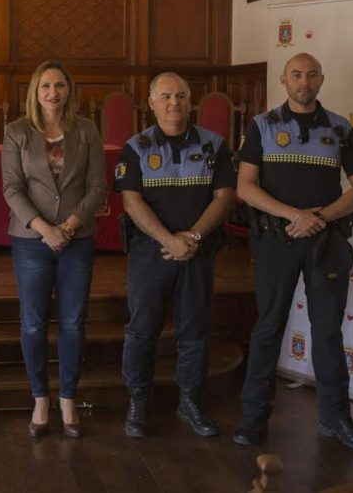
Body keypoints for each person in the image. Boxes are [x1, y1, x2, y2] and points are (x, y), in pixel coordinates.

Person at [233, 52, 353, 451]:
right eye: (296, 74)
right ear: (284, 79)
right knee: (267, 329)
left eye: (312, 74)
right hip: (277, 243)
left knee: (327, 332)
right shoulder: (261, 125)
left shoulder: (340, 127)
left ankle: (336, 419)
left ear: (321, 79)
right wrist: (295, 215)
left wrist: (319, 218)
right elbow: (245, 187)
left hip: (325, 242)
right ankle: (252, 418)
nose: (304, 81)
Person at [113, 73, 235, 439]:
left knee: (195, 332)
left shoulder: (215, 145)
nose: (173, 103)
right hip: (151, 252)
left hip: (197, 251)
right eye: (165, 96)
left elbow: (224, 197)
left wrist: (192, 237)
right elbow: (131, 201)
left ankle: (190, 402)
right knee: (142, 331)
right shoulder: (135, 148)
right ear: (150, 102)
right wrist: (169, 239)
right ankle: (138, 402)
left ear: (190, 101)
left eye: (181, 96)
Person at [1, 60, 107, 439]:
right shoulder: (16, 132)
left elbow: (98, 188)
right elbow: (12, 188)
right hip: (31, 241)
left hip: (77, 240)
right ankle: (40, 397)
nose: (53, 92)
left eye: (59, 85)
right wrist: (47, 230)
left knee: (73, 321)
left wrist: (68, 227)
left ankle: (68, 397)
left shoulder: (87, 130)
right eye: (45, 85)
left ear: (69, 90)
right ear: (35, 90)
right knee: (32, 322)